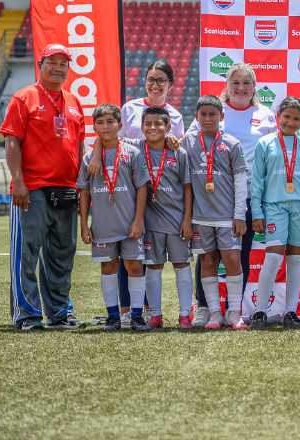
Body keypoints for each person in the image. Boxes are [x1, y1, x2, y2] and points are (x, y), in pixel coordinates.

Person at [89, 59, 184, 326]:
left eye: (161, 80)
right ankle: (125, 308)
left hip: (161, 191)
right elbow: (108, 135)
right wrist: (96, 152)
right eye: (151, 79)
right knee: (123, 245)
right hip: (127, 185)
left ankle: (147, 309)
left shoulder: (175, 115)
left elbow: (176, 149)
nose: (155, 85)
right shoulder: (130, 108)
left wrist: (175, 142)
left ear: (170, 84)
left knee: (141, 253)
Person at [0, 43, 85, 330]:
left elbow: (80, 144)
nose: (59, 67)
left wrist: (79, 184)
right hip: (32, 190)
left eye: (64, 63)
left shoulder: (74, 101)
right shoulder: (24, 98)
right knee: (26, 254)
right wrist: (19, 182)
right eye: (53, 62)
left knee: (61, 256)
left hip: (66, 190)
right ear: (41, 64)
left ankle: (60, 313)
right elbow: (12, 141)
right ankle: (28, 314)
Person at [187, 63, 277, 326]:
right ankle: (204, 306)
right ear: (227, 84)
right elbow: (191, 145)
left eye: (246, 83)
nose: (240, 88)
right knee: (207, 255)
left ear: (254, 87)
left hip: (247, 197)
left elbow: (271, 156)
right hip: (211, 197)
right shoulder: (213, 111)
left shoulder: (266, 114)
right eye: (235, 82)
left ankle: (234, 309)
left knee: (240, 254)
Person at [250, 97, 300, 330]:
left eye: (296, 118)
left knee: (296, 258)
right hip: (274, 205)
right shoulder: (265, 143)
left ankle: (290, 312)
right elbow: (257, 181)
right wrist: (257, 212)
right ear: (278, 116)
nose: (290, 122)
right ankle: (260, 311)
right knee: (273, 256)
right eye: (286, 117)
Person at [76, 104, 150, 331]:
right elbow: (84, 192)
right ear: (94, 126)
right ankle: (112, 316)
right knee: (108, 267)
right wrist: (84, 225)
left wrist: (138, 221)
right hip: (103, 224)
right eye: (100, 122)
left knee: (134, 266)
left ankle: (137, 315)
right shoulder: (90, 158)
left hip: (129, 223)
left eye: (110, 121)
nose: (106, 126)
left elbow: (142, 189)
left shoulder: (132, 153)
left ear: (120, 124)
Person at [184, 96, 248, 330]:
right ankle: (213, 313)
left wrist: (240, 214)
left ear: (221, 116)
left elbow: (241, 181)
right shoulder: (187, 143)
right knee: (208, 260)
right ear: (197, 117)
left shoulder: (232, 143)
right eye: (204, 115)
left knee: (232, 259)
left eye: (213, 114)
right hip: (200, 217)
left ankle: (234, 313)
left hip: (227, 216)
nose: (208, 118)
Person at [139, 107, 194, 329]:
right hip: (150, 222)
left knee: (182, 264)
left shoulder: (178, 152)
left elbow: (188, 188)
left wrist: (187, 219)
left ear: (168, 126)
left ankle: (184, 314)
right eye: (148, 123)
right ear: (142, 127)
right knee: (154, 266)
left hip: (177, 220)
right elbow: (106, 140)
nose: (153, 127)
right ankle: (155, 315)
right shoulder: (135, 149)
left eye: (158, 124)